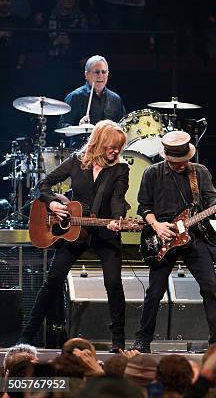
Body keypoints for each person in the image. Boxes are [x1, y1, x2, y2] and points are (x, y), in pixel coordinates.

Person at [19, 120, 129, 351]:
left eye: (119, 146)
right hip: (73, 231)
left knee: (113, 284)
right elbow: (45, 183)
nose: (116, 151)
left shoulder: (120, 169)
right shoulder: (76, 162)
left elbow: (118, 199)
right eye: (111, 146)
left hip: (103, 230)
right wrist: (52, 205)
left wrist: (117, 220)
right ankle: (25, 338)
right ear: (99, 142)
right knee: (53, 281)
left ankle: (118, 343)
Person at [131, 131, 216, 353]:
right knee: (155, 292)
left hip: (194, 236)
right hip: (163, 237)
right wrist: (157, 226)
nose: (180, 165)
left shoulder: (200, 172)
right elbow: (143, 207)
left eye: (183, 161)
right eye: (175, 161)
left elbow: (211, 198)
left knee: (210, 287)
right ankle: (142, 340)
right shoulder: (152, 173)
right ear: (166, 157)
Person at [57, 55, 126, 130]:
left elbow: (124, 126)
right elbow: (62, 126)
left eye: (104, 72)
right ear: (86, 74)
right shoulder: (75, 96)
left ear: (108, 74)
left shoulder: (115, 99)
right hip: (83, 141)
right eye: (96, 72)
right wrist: (79, 128)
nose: (100, 76)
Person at [0, 0, 26, 69]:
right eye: (1, 0)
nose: (5, 3)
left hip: (12, 65)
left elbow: (22, 45)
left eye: (8, 0)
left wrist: (20, 64)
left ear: (12, 2)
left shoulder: (19, 21)